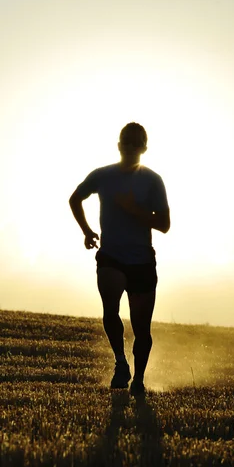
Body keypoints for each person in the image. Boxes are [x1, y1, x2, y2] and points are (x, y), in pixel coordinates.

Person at [69, 122, 170, 394]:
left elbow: (164, 224)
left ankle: (138, 379)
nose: (130, 146)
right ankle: (121, 362)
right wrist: (87, 231)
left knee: (141, 329)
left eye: (136, 142)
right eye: (127, 141)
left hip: (142, 263)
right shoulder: (102, 175)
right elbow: (75, 199)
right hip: (111, 257)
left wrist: (134, 209)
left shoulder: (153, 180)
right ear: (118, 144)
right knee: (110, 311)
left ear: (144, 148)